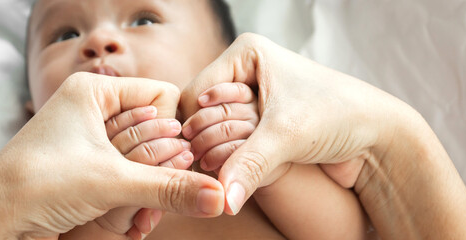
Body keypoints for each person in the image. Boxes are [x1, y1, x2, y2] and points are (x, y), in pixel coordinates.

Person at [25, 0, 368, 239]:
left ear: (225, 60)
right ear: (31, 115)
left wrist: (274, 169)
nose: (99, 41)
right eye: (65, 35)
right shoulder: (52, 195)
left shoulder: (255, 140)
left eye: (144, 20)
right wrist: (108, 221)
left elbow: (350, 233)